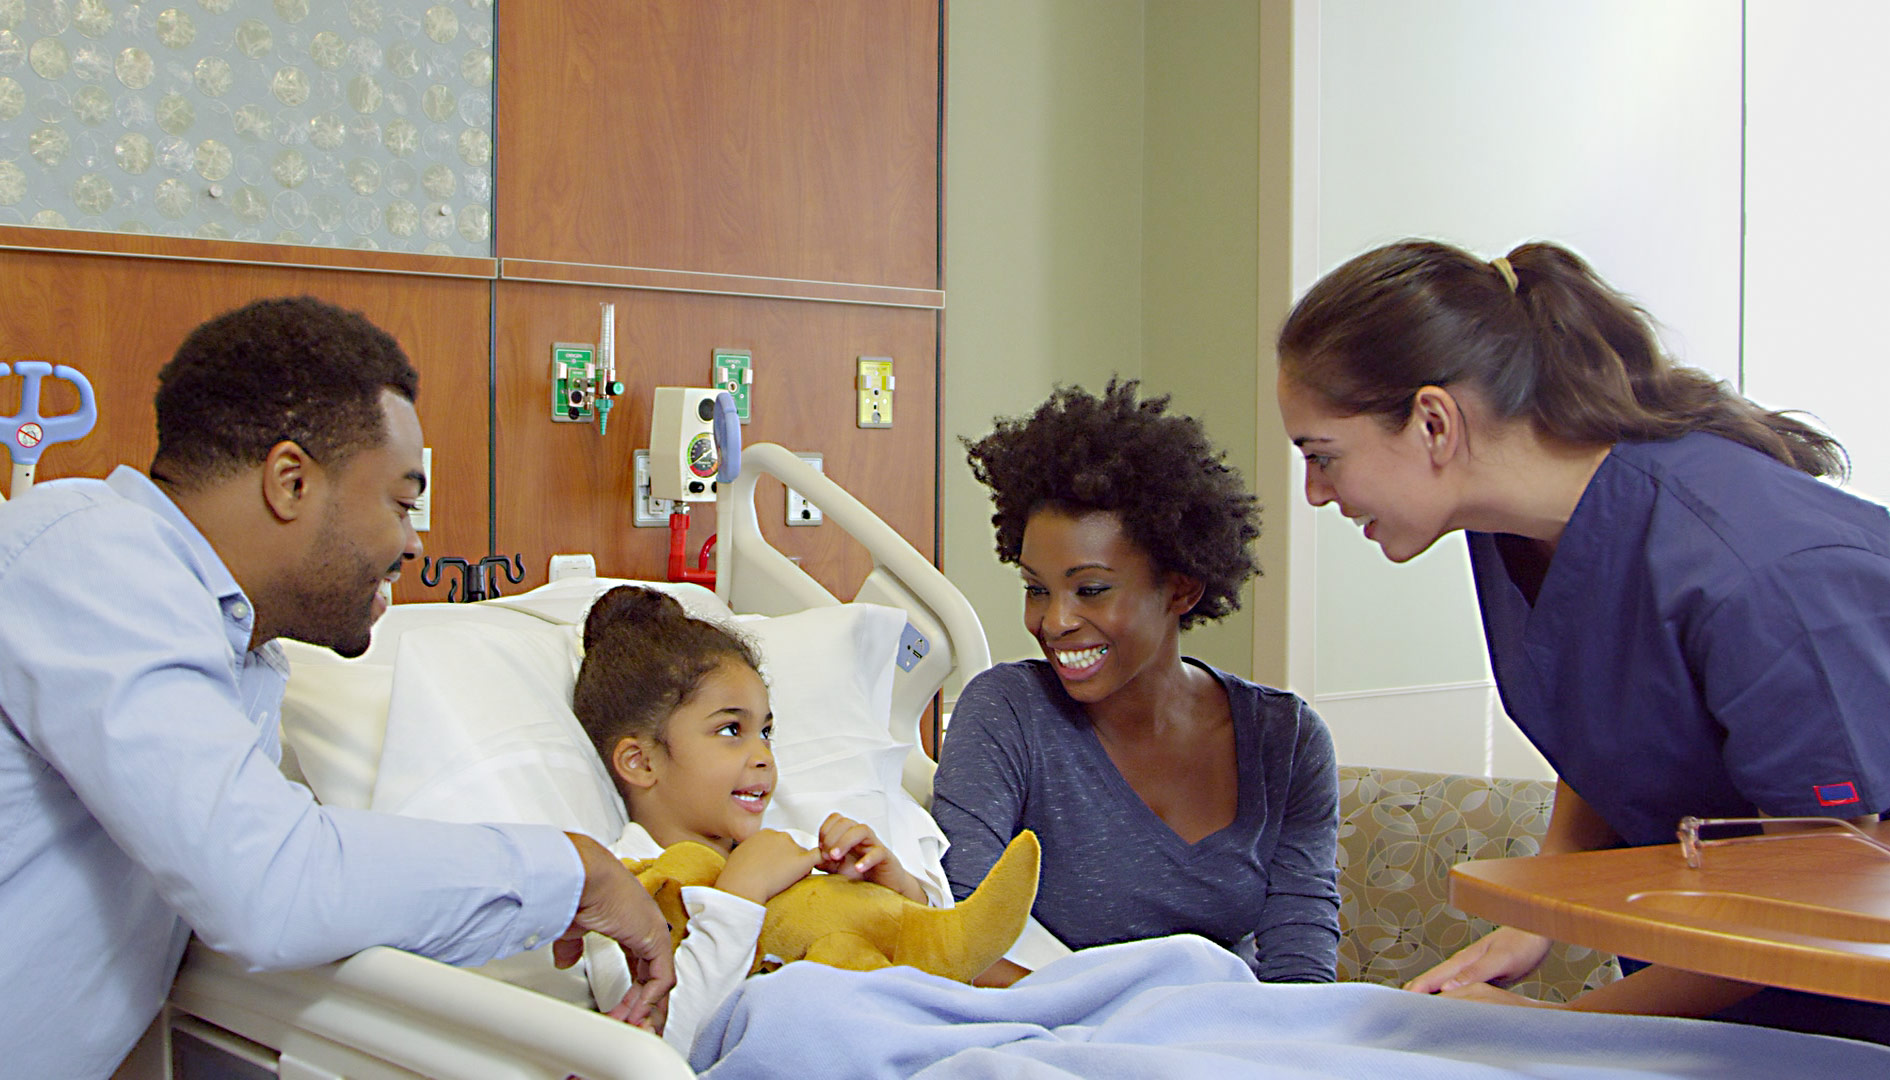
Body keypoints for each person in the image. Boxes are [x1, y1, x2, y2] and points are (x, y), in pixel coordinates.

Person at [0, 297, 674, 1078]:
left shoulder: (231, 649)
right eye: (402, 502)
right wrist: (574, 870)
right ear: (290, 482)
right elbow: (269, 884)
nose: (413, 544)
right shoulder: (94, 563)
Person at [1275, 238, 1890, 1041]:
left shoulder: (1752, 574)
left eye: (1323, 458)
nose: (1316, 494)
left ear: (1433, 422)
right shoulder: (1516, 532)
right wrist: (1538, 910)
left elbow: (1809, 900)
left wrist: (1553, 1032)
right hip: (1742, 1005)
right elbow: (1611, 728)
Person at [932, 380, 1341, 987]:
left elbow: (1301, 970)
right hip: (1064, 1042)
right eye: (1037, 588)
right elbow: (958, 941)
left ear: (1181, 588)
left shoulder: (1286, 740)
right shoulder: (1007, 717)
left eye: (1091, 589)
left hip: (1237, 1042)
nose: (1054, 621)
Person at [572, 584, 933, 1052]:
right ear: (641, 762)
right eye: (730, 730)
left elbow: (931, 959)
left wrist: (895, 886)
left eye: (766, 731)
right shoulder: (621, 887)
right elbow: (662, 1051)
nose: (762, 754)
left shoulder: (792, 851)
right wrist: (740, 896)